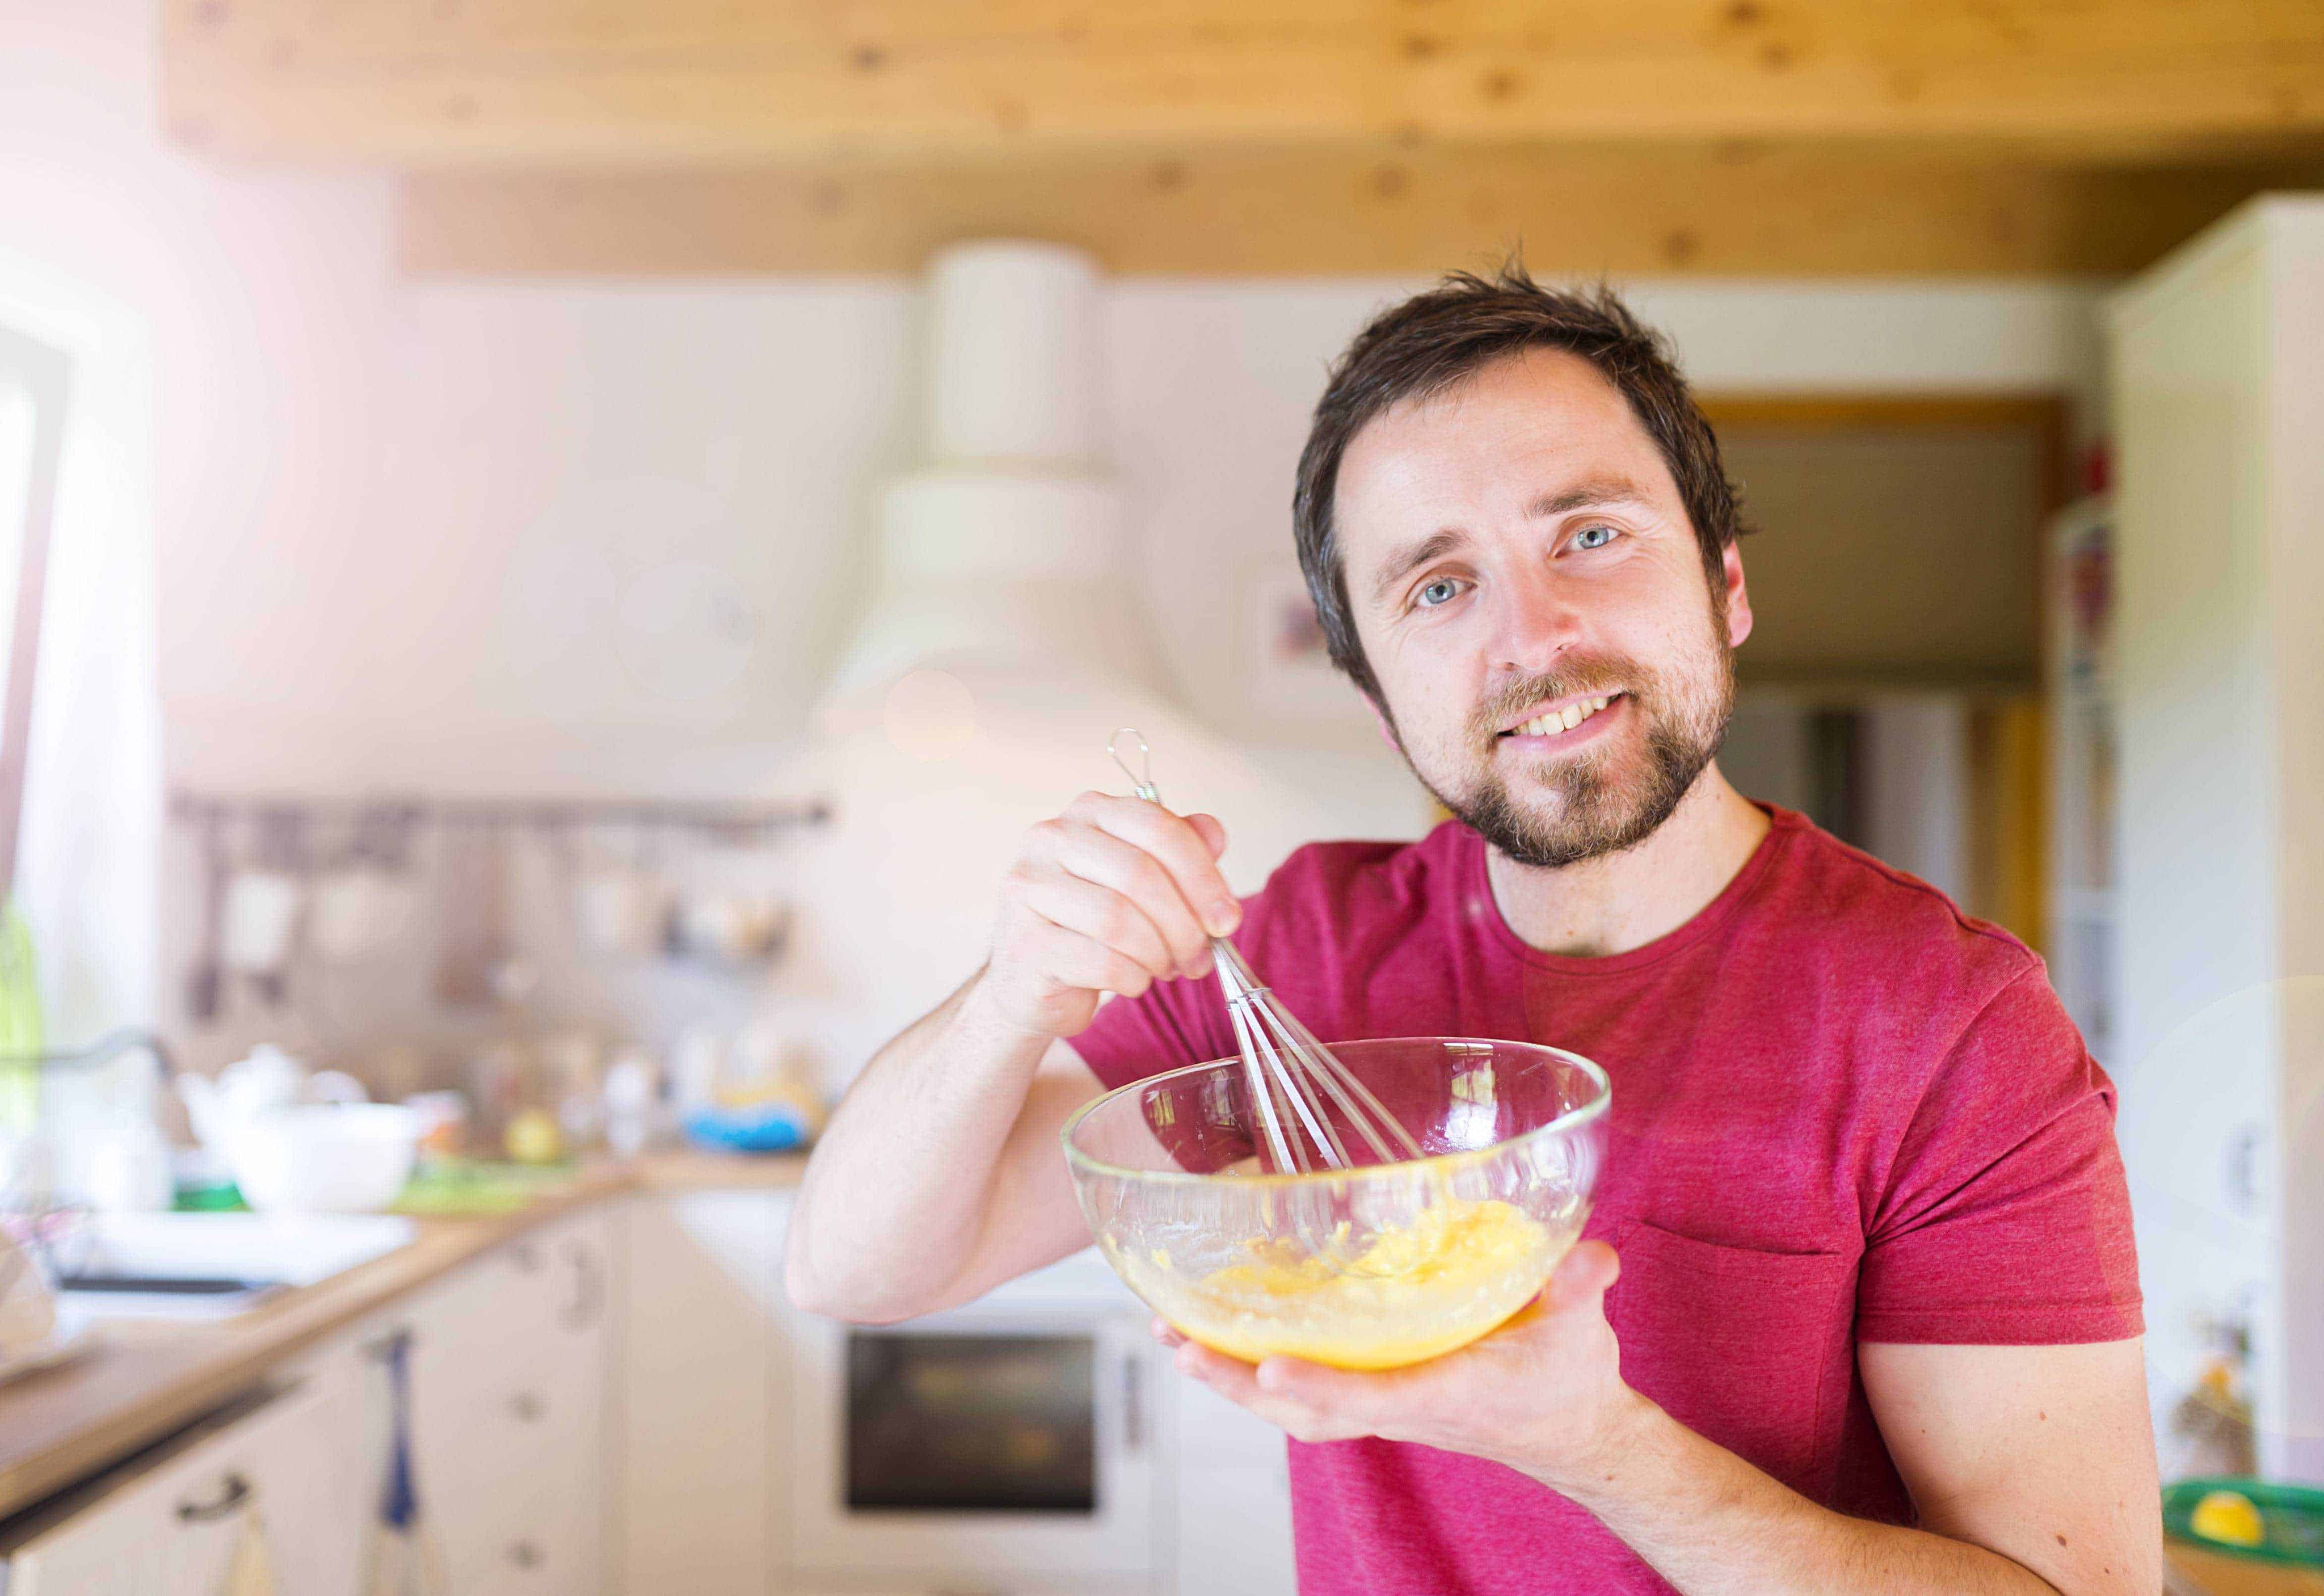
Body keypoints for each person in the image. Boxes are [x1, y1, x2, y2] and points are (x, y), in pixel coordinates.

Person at [786, 267, 2159, 1595]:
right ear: (1380, 703)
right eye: (1437, 588)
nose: (1535, 635)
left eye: (1589, 535)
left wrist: (1603, 1452)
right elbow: (855, 1269)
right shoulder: (1300, 948)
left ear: (1725, 584)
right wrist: (1010, 995)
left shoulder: (1949, 1030)